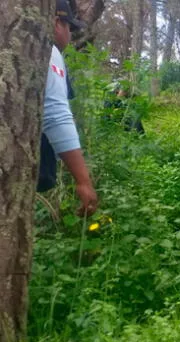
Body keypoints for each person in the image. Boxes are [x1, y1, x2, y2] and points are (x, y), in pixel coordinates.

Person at [38, 0, 98, 217]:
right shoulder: (46, 51)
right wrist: (83, 180)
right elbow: (55, 113)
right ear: (56, 23)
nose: (71, 35)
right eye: (69, 27)